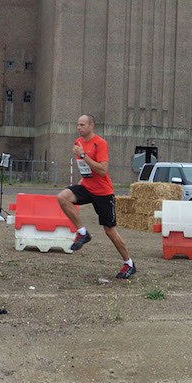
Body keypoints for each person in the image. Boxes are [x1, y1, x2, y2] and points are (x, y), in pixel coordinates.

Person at [57, 114, 137, 279]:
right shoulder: (78, 143)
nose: (79, 128)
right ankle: (82, 232)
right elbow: (85, 169)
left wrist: (84, 155)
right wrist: (81, 182)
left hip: (103, 193)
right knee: (63, 197)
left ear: (92, 125)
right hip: (87, 187)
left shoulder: (100, 143)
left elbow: (102, 170)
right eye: (78, 125)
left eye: (82, 125)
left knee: (110, 231)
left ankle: (129, 263)